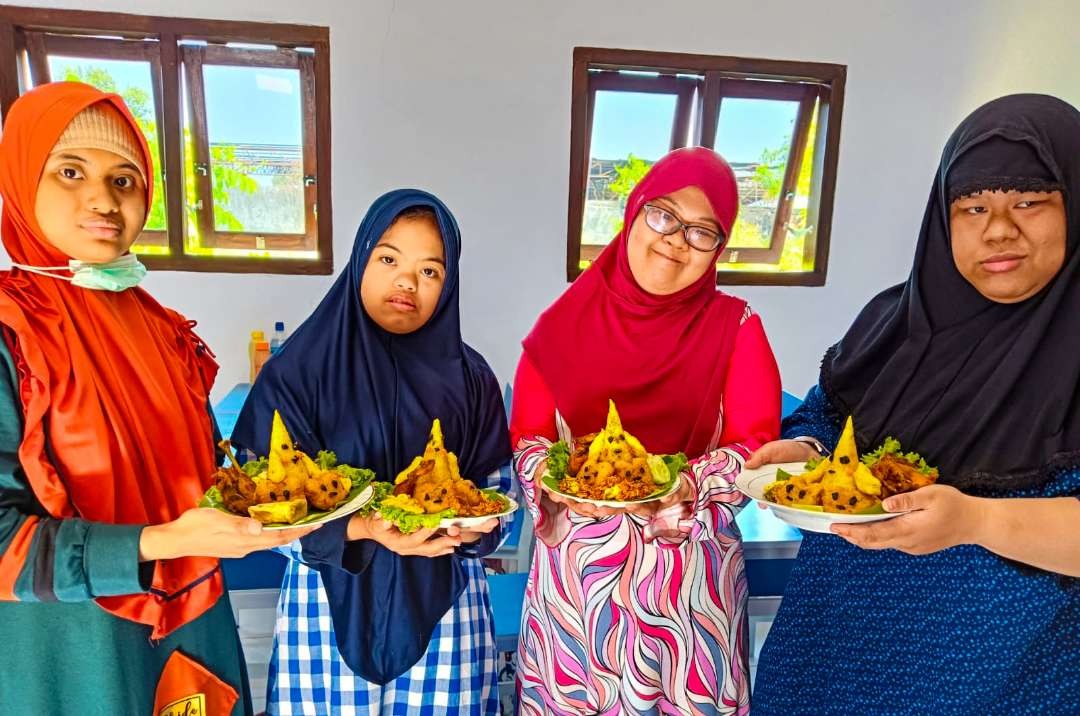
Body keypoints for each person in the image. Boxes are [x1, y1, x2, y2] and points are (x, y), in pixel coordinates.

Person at [750, 94, 1080, 714]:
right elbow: (827, 412)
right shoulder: (896, 318)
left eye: (1029, 201)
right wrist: (805, 449)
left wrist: (976, 521)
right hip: (828, 652)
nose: (998, 228)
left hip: (998, 679)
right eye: (973, 205)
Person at [0, 82, 312, 714]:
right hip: (75, 648)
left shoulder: (160, 327)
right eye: (69, 171)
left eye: (124, 179)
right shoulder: (12, 332)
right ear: (19, 182)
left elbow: (196, 476)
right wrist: (156, 543)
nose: (102, 200)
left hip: (196, 620)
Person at [511, 147, 781, 715]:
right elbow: (530, 436)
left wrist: (687, 488)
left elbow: (756, 445)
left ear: (718, 250)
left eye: (703, 231)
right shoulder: (562, 324)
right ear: (634, 214)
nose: (677, 239)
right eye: (664, 215)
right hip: (579, 590)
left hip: (689, 587)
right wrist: (553, 480)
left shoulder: (736, 327)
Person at [232, 189, 514, 715]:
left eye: (430, 271)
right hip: (325, 609)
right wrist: (361, 529)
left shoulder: (472, 380)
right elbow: (257, 507)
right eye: (388, 259)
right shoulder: (298, 373)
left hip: (446, 613)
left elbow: (496, 493)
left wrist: (476, 528)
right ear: (361, 258)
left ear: (448, 284)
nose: (407, 281)